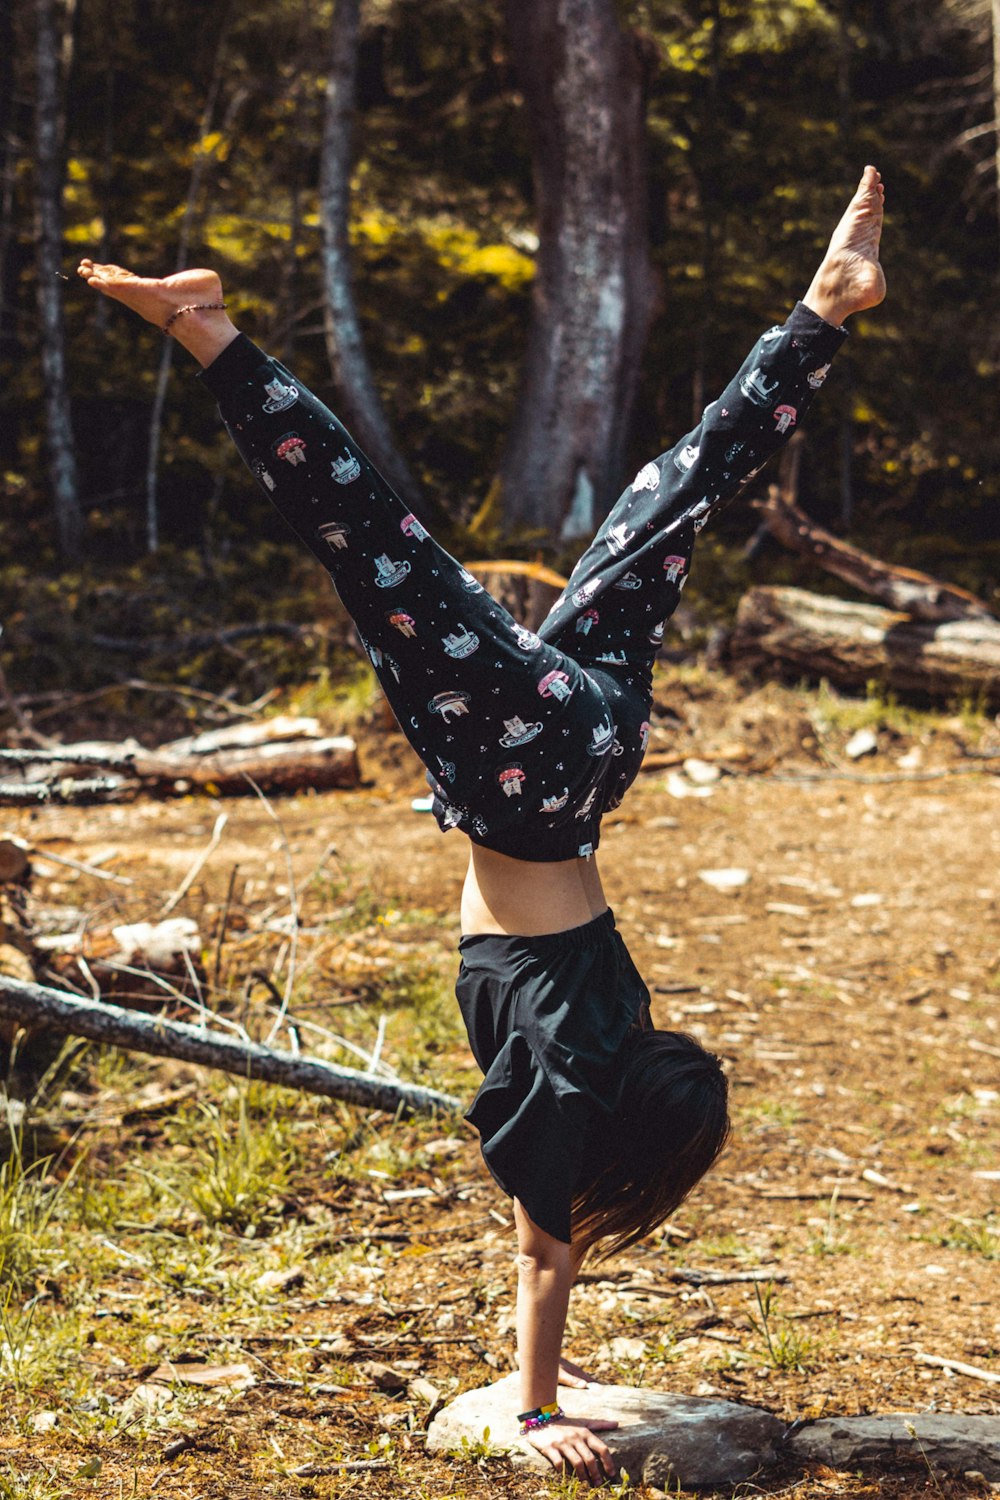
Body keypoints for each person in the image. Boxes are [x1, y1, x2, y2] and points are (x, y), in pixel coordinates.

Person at [78, 165, 885, 1485]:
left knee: (670, 502)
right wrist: (531, 1408)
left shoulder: (617, 1021)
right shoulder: (569, 1088)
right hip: (520, 770)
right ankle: (207, 328)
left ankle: (822, 314)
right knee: (368, 538)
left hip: (591, 759)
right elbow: (544, 1256)